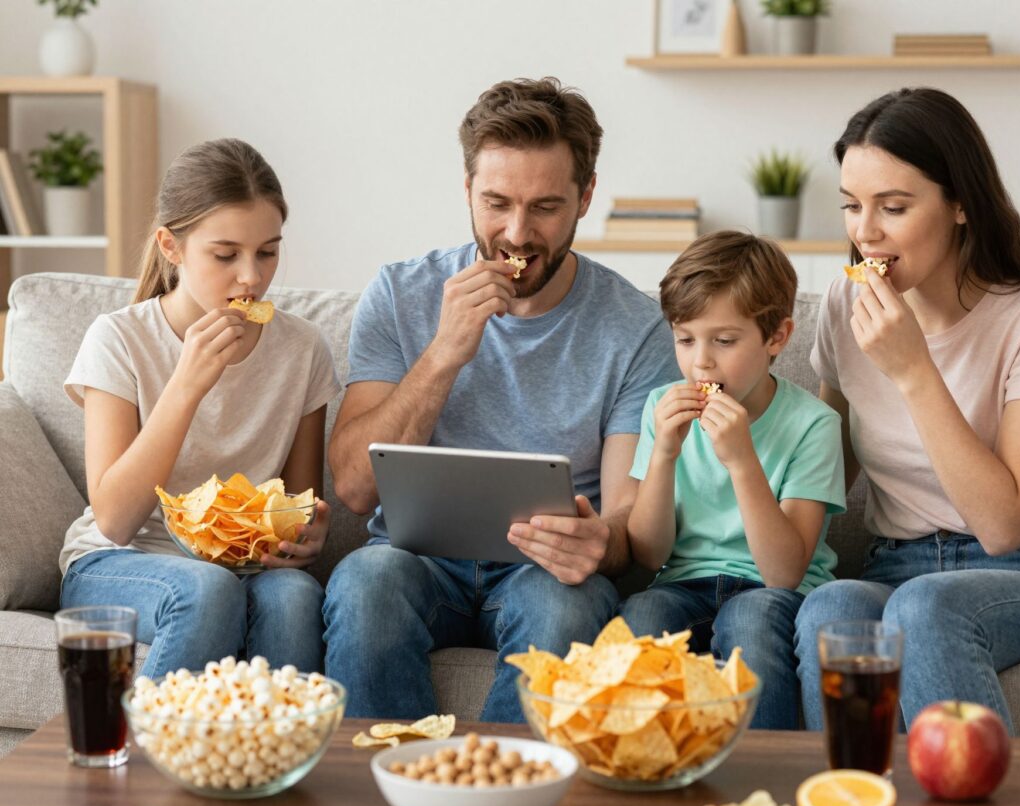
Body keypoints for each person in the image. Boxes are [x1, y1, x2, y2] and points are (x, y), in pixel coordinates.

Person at [322, 77, 679, 721]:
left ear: (585, 198)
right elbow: (352, 486)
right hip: (415, 567)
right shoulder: (401, 293)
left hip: (546, 574)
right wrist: (445, 352)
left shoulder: (636, 328)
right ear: (466, 191)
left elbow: (628, 522)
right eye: (496, 203)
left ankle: (505, 798)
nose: (516, 233)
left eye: (545, 207)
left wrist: (604, 541)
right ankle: (380, 803)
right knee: (364, 582)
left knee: (568, 603)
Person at [793, 87, 1020, 734]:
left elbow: (1004, 525)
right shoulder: (844, 304)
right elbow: (828, 468)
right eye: (852, 207)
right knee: (828, 607)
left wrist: (913, 370)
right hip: (898, 562)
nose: (865, 232)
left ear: (960, 204)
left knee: (926, 608)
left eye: (894, 207)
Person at [59, 138, 340, 678]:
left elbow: (296, 507)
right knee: (208, 589)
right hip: (119, 560)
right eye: (225, 254)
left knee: (295, 597)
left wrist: (304, 538)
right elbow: (115, 520)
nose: (251, 278)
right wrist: (187, 384)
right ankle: (152, 758)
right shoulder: (118, 339)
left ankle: (266, 760)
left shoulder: (303, 348)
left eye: (267, 251)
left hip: (243, 564)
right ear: (171, 246)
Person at [620, 231, 845, 730]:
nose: (701, 361)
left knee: (751, 620)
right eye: (685, 339)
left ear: (777, 338)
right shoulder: (661, 408)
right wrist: (663, 454)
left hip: (772, 592)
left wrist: (743, 462)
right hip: (681, 584)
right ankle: (644, 775)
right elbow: (649, 555)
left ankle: (762, 785)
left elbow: (783, 572)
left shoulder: (814, 424)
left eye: (724, 341)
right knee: (640, 615)